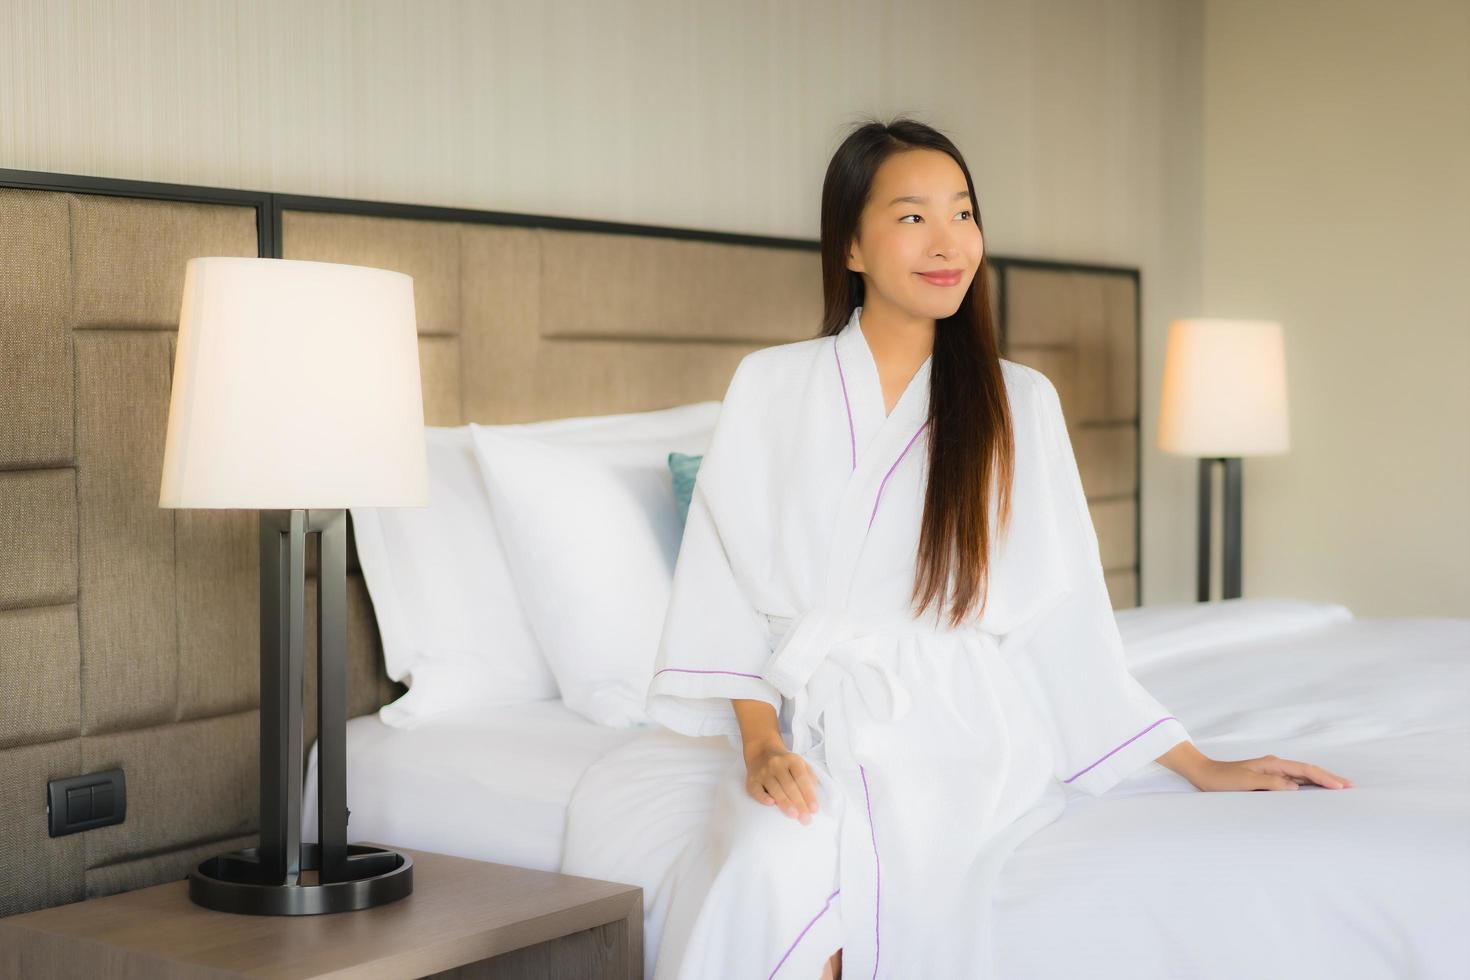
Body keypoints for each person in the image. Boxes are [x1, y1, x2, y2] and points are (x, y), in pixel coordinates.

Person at [644, 116, 1352, 980]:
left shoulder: (1020, 401)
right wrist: (762, 748)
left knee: (898, 899)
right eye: (912, 218)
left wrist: (1198, 763)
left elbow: (1063, 616)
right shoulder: (770, 385)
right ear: (852, 247)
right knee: (766, 867)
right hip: (813, 724)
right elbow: (723, 587)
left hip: (964, 728)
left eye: (964, 213)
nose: (948, 243)